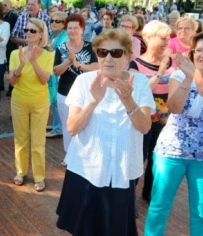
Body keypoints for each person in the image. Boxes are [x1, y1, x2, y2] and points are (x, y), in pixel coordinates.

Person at [56, 29, 155, 235]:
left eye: (116, 53)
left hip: (121, 171)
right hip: (86, 169)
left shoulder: (140, 83)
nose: (108, 58)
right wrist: (93, 101)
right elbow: (72, 128)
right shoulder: (85, 81)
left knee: (115, 228)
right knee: (82, 228)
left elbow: (144, 127)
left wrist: (128, 100)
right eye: (102, 53)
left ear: (127, 56)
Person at [145, 32, 203, 236]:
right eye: (199, 50)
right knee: (159, 206)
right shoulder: (180, 75)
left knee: (202, 212)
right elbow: (174, 107)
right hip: (171, 152)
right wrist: (189, 77)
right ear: (192, 54)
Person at [128, 20, 176, 202]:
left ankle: (149, 193)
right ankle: (129, 200)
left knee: (157, 163)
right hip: (143, 122)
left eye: (168, 39)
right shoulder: (136, 65)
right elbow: (140, 91)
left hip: (165, 123)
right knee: (137, 160)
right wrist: (161, 72)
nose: (166, 43)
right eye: (162, 38)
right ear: (149, 38)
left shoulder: (172, 62)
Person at [9, 18, 54, 192]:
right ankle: (20, 172)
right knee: (20, 139)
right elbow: (12, 82)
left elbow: (44, 80)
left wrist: (33, 61)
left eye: (33, 31)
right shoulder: (15, 54)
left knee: (38, 141)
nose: (28, 33)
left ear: (41, 34)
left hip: (40, 102)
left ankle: (39, 176)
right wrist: (21, 64)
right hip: (19, 100)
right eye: (26, 30)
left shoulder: (49, 55)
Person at [53, 14, 99, 165]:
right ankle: (69, 155)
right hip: (65, 93)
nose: (72, 31)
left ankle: (85, 154)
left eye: (76, 28)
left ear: (82, 29)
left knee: (86, 125)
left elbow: (96, 67)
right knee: (68, 126)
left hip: (86, 93)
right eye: (69, 28)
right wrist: (68, 61)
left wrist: (79, 65)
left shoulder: (90, 46)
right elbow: (56, 71)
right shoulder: (60, 48)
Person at [45, 11, 68, 138]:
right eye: (52, 21)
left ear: (64, 24)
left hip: (60, 72)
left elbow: (55, 54)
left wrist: (47, 43)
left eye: (57, 21)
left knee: (58, 100)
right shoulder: (54, 35)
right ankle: (56, 124)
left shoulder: (65, 37)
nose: (53, 23)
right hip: (53, 71)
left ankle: (58, 128)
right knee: (54, 99)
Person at [2, 0, 19, 96]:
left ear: (10, 7)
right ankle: (0, 84)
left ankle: (11, 86)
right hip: (0, 44)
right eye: (2, 5)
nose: (3, 7)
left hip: (10, 44)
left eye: (5, 5)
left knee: (10, 65)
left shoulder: (14, 17)